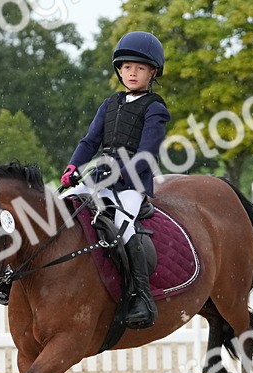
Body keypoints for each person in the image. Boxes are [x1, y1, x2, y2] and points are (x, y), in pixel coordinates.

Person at [60, 31, 171, 328]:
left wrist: (121, 172)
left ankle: (141, 297)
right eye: (127, 67)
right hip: (99, 176)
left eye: (140, 68)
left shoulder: (155, 108)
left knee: (122, 228)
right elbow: (89, 141)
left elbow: (147, 153)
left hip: (132, 182)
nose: (132, 73)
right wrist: (73, 167)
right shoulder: (110, 103)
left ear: (152, 72)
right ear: (119, 71)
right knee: (57, 211)